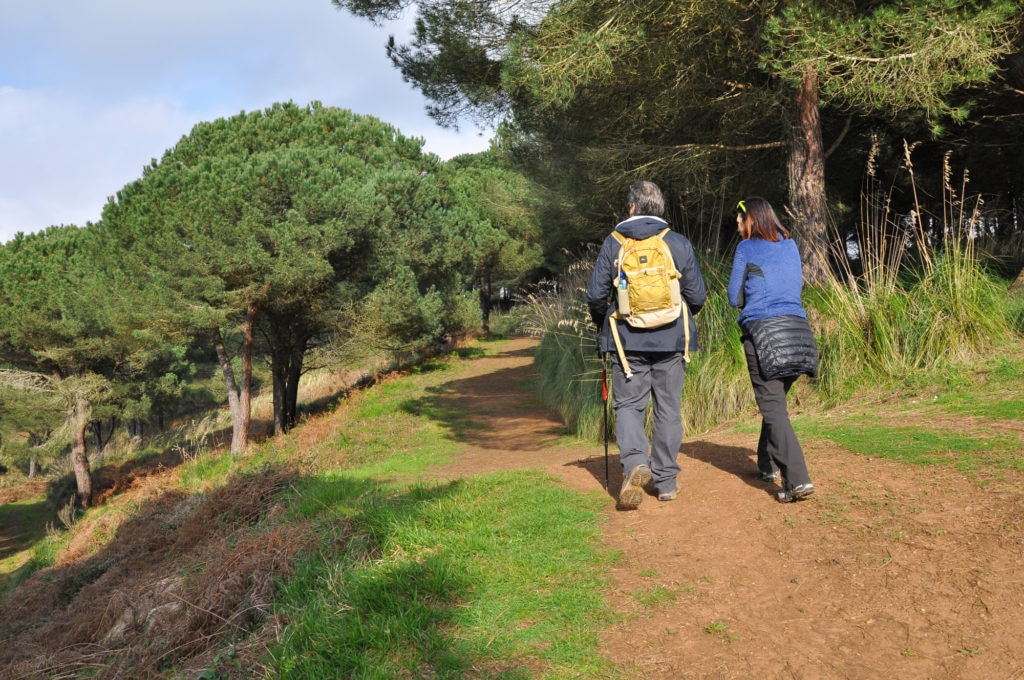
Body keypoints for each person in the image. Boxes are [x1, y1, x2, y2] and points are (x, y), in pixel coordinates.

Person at [587, 180, 707, 509]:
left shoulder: (614, 244)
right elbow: (697, 296)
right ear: (660, 208)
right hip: (673, 341)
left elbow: (596, 297)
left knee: (629, 407)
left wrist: (603, 324)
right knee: (668, 409)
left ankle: (636, 464)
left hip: (626, 344)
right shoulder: (678, 243)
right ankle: (666, 482)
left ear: (632, 208)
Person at [727, 197, 815, 502]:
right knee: (774, 404)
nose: (737, 225)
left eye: (740, 219)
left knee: (773, 409)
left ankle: (797, 480)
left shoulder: (746, 248)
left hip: (764, 335)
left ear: (751, 219)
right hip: (799, 336)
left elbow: (733, 298)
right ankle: (766, 464)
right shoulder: (790, 244)